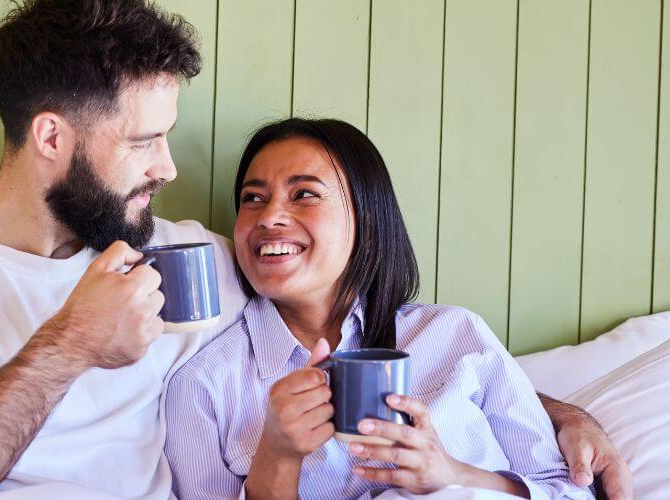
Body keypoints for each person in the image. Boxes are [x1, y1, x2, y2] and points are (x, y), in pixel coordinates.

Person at [0, 0, 630, 498]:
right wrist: (72, 343)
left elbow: (350, 321)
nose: (169, 169)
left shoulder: (188, 258)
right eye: (144, 143)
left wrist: (555, 413)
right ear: (53, 137)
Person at [164, 118, 596, 499]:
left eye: (304, 195)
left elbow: (568, 492)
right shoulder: (204, 387)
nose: (269, 216)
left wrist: (453, 474)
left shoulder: (456, 336)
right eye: (252, 198)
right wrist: (276, 456)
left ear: (366, 221)